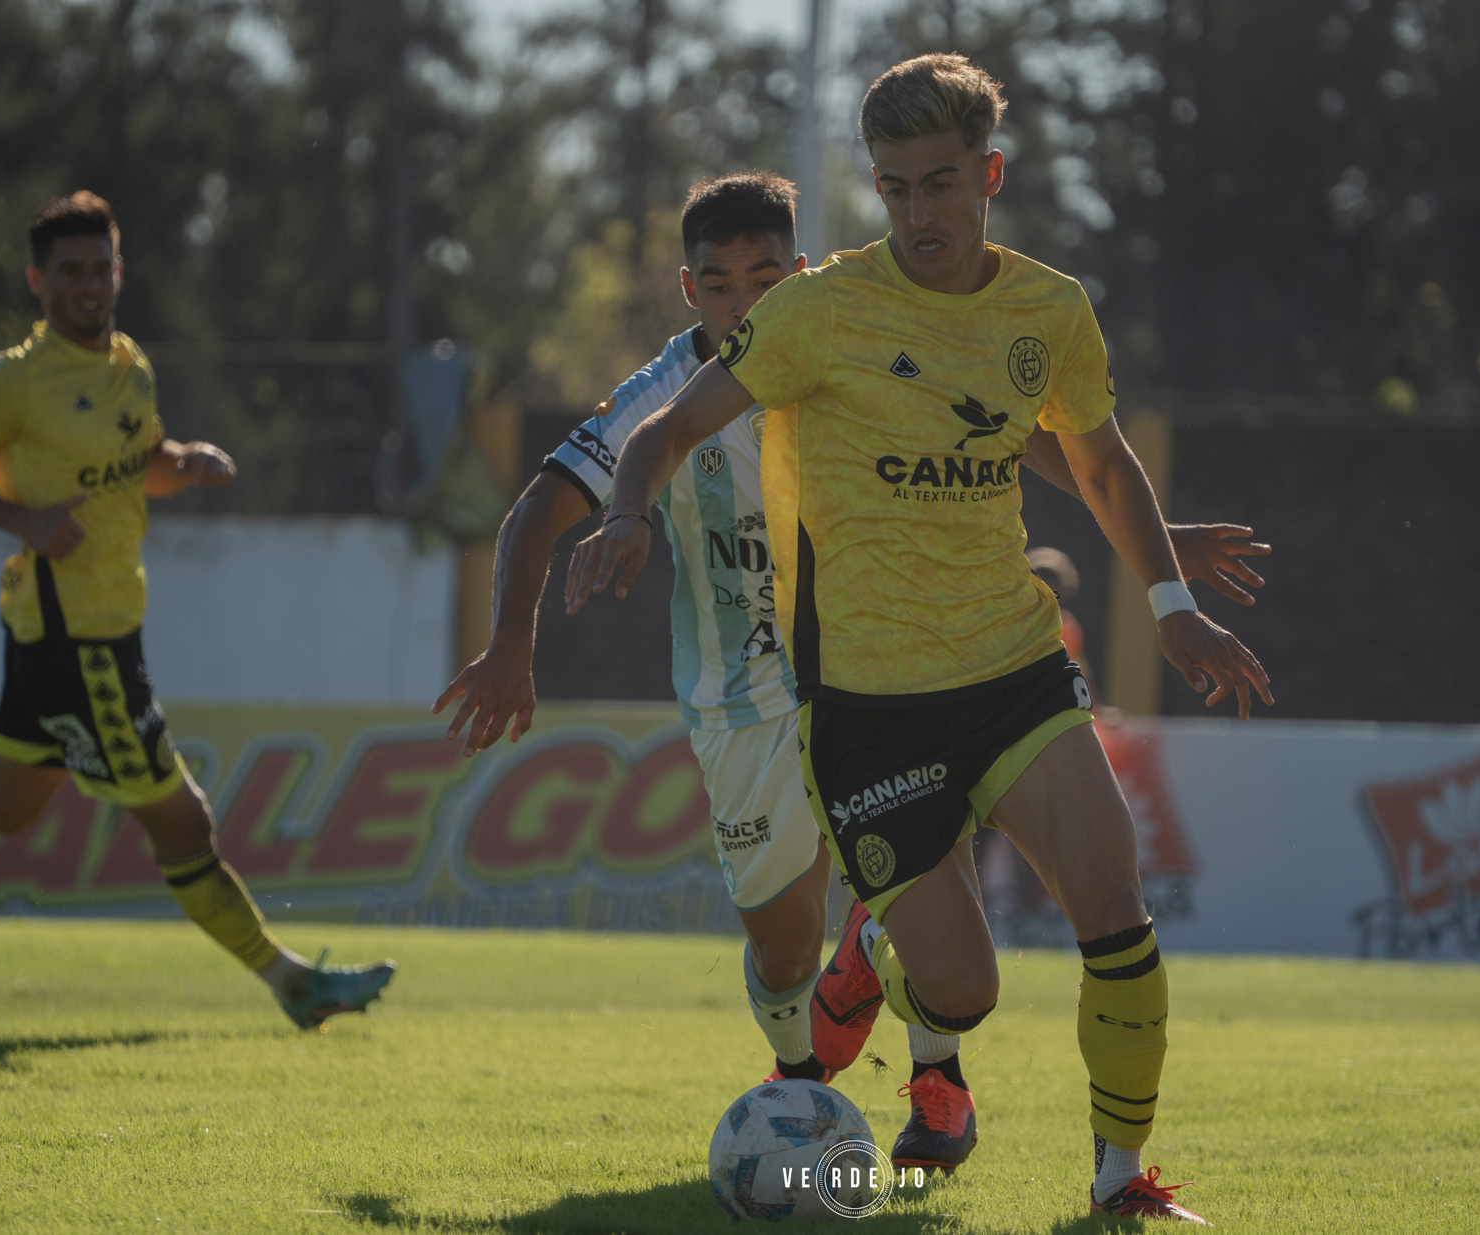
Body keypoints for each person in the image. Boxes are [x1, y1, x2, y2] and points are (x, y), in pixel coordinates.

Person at [437, 173, 1268, 1171]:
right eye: (717, 284)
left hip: (879, 670)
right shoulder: (661, 394)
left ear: (796, 269)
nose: (742, 302)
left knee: (947, 897)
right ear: (686, 289)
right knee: (783, 950)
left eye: (762, 277)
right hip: (740, 698)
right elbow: (538, 506)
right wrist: (513, 644)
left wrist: (1151, 537)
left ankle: (937, 1081)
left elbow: (1004, 426)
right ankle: (809, 1073)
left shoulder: (850, 317)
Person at [0, 193, 394, 1031]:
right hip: (77, 640)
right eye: (70, 271)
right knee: (182, 818)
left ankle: (291, 981)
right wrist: (23, 522)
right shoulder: (11, 382)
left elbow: (139, 461)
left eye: (101, 266)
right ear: (36, 281)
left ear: (119, 269)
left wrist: (182, 461)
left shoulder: (130, 365)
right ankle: (291, 981)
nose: (89, 283)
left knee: (2, 805)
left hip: (95, 628)